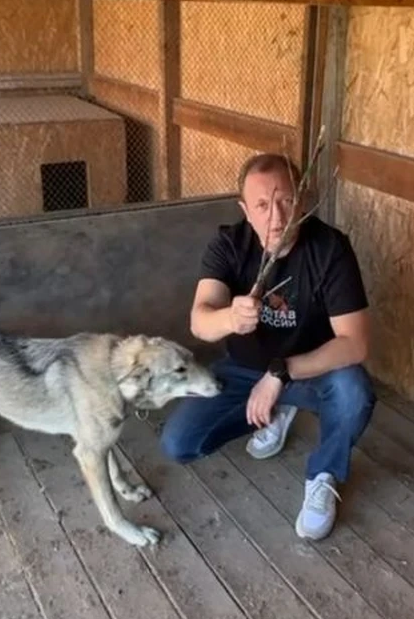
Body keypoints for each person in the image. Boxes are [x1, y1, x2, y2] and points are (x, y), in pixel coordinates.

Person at [159, 152, 375, 541]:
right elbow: (200, 320)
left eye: (286, 201)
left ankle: (323, 474)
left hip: (309, 371)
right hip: (244, 369)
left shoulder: (330, 249)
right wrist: (229, 318)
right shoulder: (229, 244)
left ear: (303, 200)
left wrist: (281, 373)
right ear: (245, 210)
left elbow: (355, 344)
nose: (277, 217)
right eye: (262, 205)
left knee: (353, 391)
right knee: (180, 444)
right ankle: (274, 410)